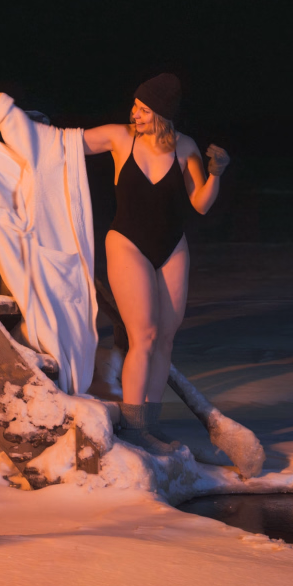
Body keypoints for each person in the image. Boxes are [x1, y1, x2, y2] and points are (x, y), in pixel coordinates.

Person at [81, 73, 229, 453]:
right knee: (143, 334)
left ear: (162, 114)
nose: (135, 113)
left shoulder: (185, 147)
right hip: (127, 242)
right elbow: (65, 144)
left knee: (165, 336)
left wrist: (216, 174)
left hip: (172, 246)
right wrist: (14, 123)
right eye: (136, 106)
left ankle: (148, 425)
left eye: (144, 109)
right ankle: (133, 430)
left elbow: (201, 204)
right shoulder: (119, 137)